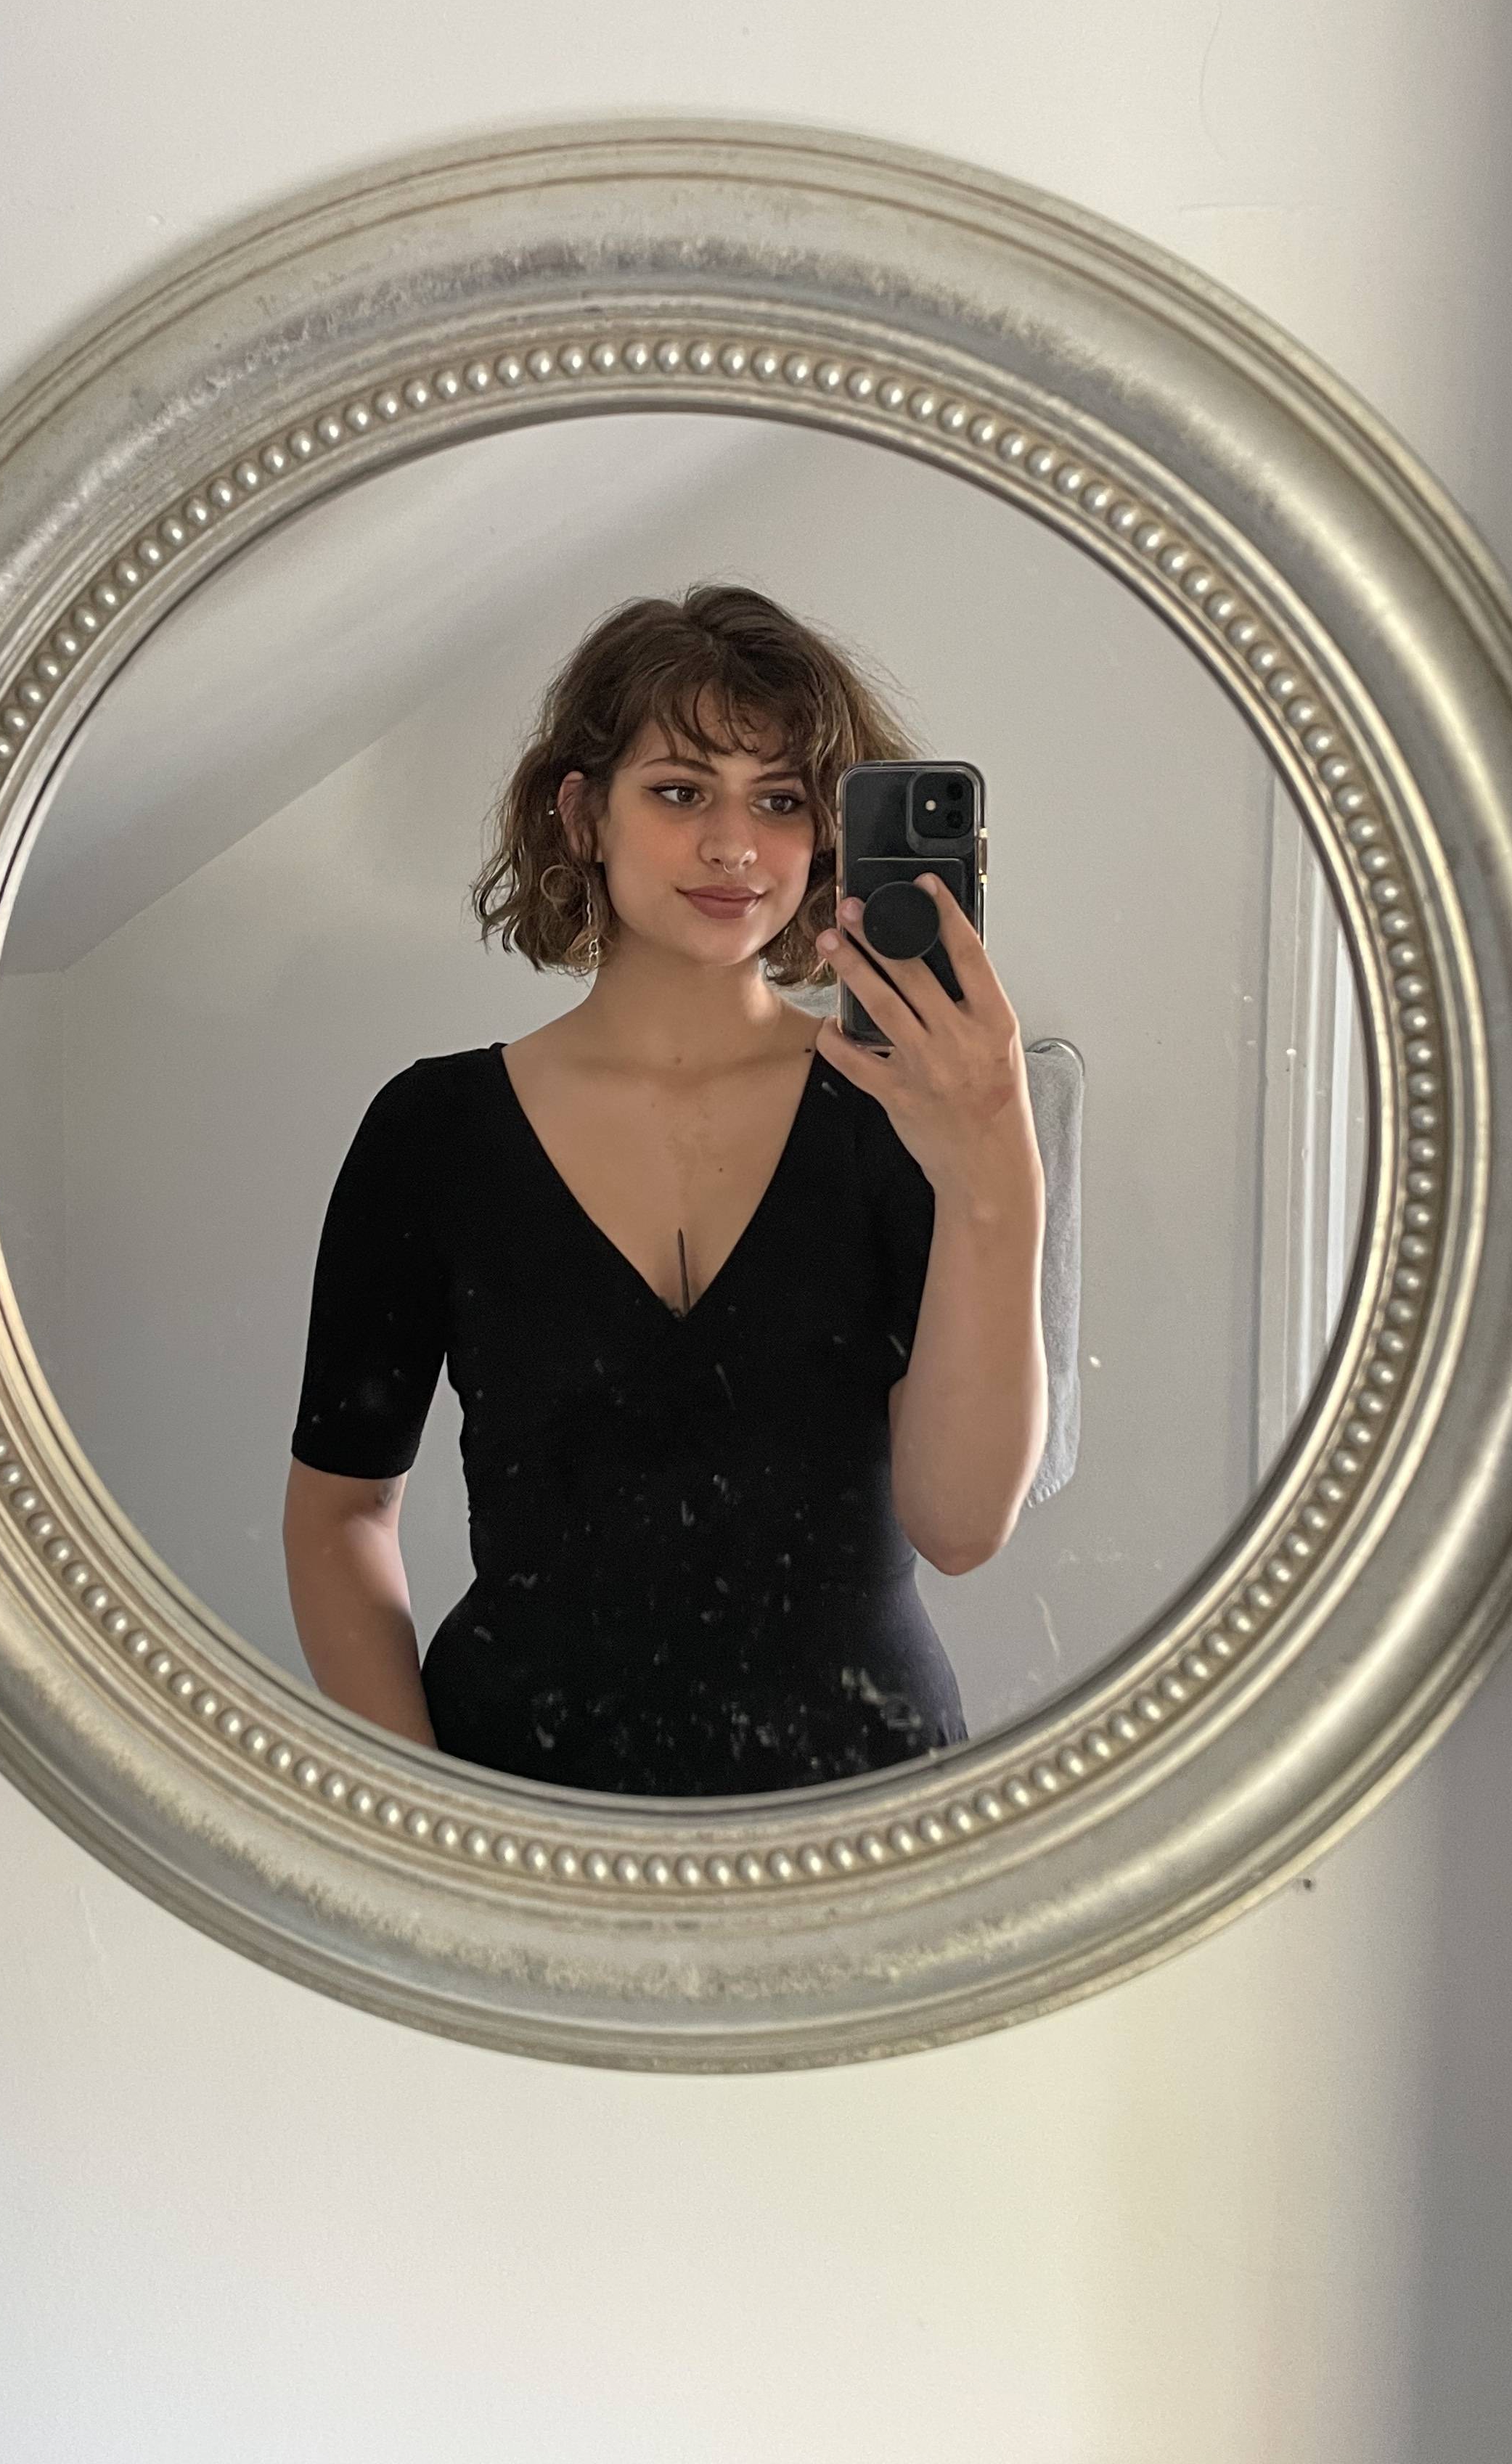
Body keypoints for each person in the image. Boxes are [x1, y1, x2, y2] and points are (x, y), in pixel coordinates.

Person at [281, 582, 1047, 1796]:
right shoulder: (432, 1134)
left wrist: (998, 1167)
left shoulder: (901, 1121)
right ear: (583, 814)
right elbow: (339, 1513)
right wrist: (421, 1815)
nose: (734, 846)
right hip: (520, 1815)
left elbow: (960, 1528)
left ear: (828, 835)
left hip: (859, 1821)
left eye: (780, 800)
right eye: (682, 791)